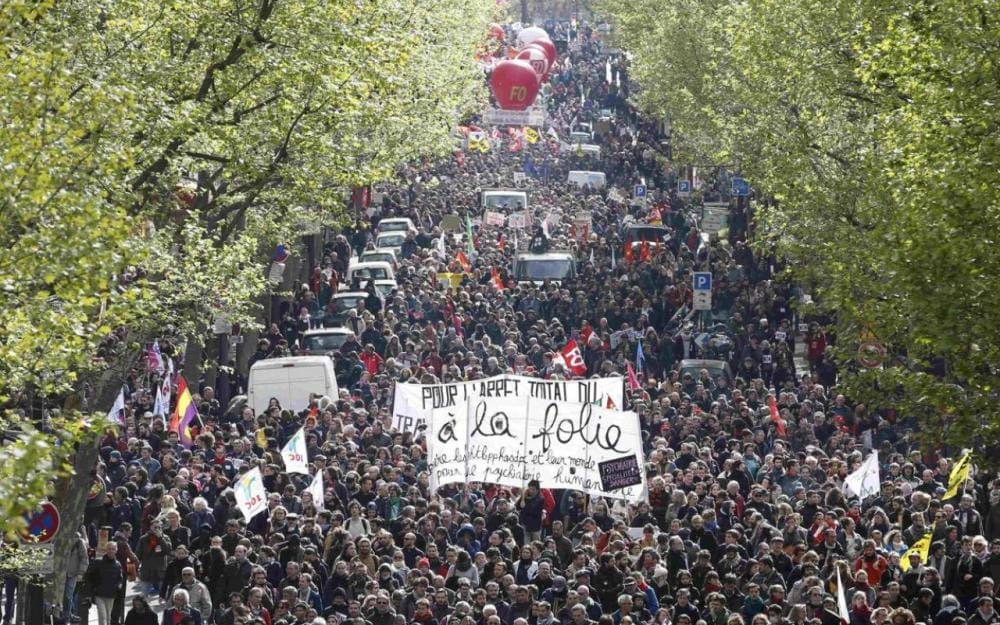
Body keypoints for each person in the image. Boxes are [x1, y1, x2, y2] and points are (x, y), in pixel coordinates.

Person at [89, 542, 124, 625]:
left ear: (116, 550)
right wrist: (93, 588)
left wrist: (118, 587)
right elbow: (90, 576)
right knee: (103, 617)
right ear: (106, 550)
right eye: (109, 549)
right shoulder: (98, 562)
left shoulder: (117, 564)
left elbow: (120, 579)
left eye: (113, 549)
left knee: (108, 618)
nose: (111, 551)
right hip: (99, 595)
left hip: (111, 595)